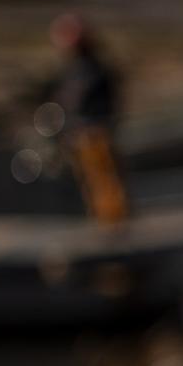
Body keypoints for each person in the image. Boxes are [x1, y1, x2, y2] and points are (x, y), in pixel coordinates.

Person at [47, 13, 129, 225]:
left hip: (95, 131)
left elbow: (95, 99)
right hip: (82, 133)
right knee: (92, 180)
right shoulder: (77, 69)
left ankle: (115, 223)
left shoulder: (93, 69)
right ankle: (105, 221)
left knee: (105, 179)